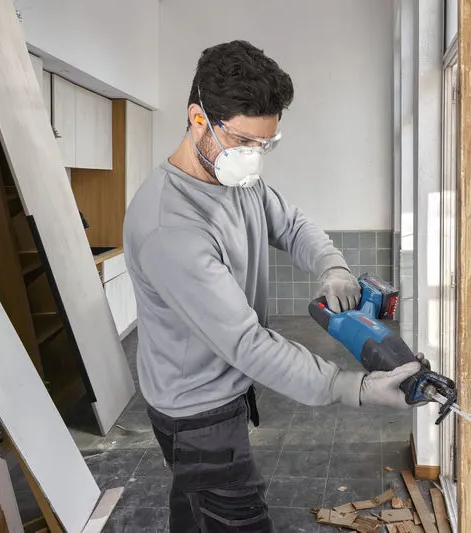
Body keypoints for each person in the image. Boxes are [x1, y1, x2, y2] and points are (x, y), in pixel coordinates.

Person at [122, 40, 422, 532]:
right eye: (244, 142)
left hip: (222, 390)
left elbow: (290, 224)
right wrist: (353, 389)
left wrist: (332, 265)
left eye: (266, 144)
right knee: (235, 519)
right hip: (196, 413)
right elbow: (247, 342)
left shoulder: (238, 178)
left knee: (198, 513)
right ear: (198, 118)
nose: (254, 157)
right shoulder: (169, 228)